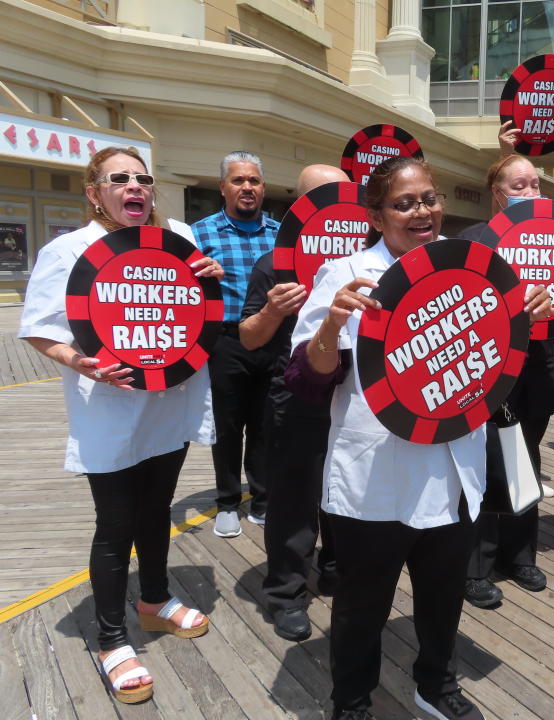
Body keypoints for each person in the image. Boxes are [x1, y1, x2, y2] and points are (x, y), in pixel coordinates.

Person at [285, 155, 553, 720]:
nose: (423, 211)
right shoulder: (346, 274)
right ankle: (352, 702)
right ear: (377, 217)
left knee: (442, 596)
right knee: (362, 605)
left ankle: (436, 684)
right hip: (375, 478)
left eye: (429, 198)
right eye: (404, 203)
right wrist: (332, 325)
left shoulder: (477, 270)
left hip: (454, 472)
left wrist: (526, 314)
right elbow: (308, 379)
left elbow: (497, 364)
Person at [18, 147, 223, 703]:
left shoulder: (174, 244)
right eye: (119, 179)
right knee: (115, 524)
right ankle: (111, 639)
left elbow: (201, 313)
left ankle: (153, 599)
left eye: (143, 178)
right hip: (107, 407)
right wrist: (76, 360)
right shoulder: (70, 250)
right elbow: (38, 327)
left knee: (157, 509)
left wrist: (209, 277)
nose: (135, 186)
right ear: (94, 192)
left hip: (167, 402)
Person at [241, 164, 349, 641]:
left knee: (346, 491)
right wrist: (271, 310)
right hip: (296, 397)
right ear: (300, 209)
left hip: (354, 396)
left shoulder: (371, 260)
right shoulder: (275, 265)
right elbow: (247, 337)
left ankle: (335, 567)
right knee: (292, 500)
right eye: (324, 197)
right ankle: (286, 591)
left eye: (344, 196)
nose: (336, 209)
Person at [460, 153, 554, 607]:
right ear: (497, 194)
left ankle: (519, 555)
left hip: (536, 371)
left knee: (527, 461)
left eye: (536, 184)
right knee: (482, 465)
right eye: (520, 185)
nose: (531, 193)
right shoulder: (471, 241)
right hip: (484, 371)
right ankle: (476, 566)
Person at [192, 151, 279, 538]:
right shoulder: (199, 234)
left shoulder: (281, 234)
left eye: (254, 181)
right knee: (227, 427)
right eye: (239, 181)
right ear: (223, 187)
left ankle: (261, 500)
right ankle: (227, 501)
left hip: (273, 339)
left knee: (265, 426)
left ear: (263, 188)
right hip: (225, 342)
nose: (247, 188)